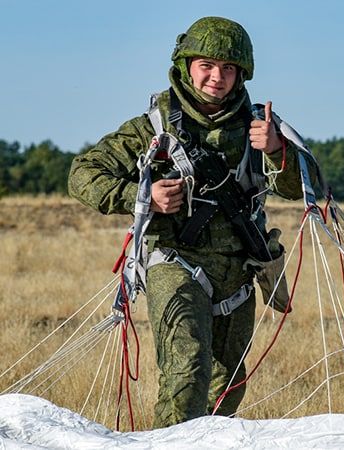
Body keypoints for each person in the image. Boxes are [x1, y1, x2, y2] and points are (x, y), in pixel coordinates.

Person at [68, 16, 306, 428]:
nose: (217, 77)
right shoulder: (153, 127)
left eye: (228, 68)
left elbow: (301, 187)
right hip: (175, 262)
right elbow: (84, 173)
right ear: (186, 65)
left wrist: (277, 150)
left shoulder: (260, 125)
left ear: (242, 73)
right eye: (207, 66)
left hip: (239, 270)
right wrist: (143, 196)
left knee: (227, 386)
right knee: (186, 373)